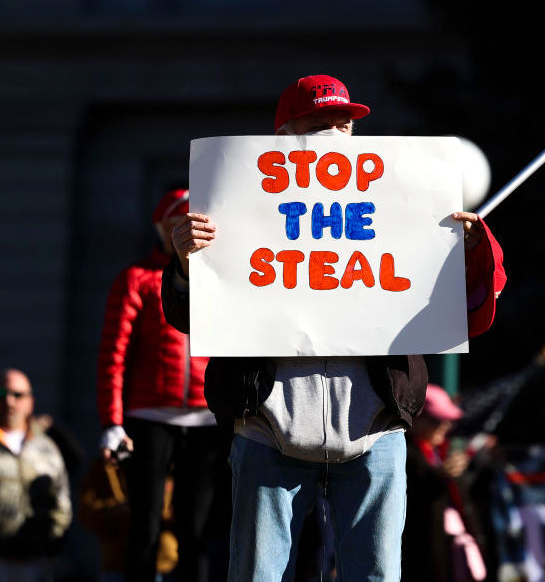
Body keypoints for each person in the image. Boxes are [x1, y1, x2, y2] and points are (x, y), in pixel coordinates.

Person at [161, 74, 507, 581]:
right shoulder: (232, 206)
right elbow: (188, 318)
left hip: (376, 429)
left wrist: (474, 250)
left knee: (377, 575)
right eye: (320, 124)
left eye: (344, 123)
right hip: (267, 425)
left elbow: (472, 312)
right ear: (283, 137)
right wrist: (187, 263)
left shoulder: (399, 203)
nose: (336, 135)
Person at [96, 188, 226, 582]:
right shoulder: (137, 279)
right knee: (146, 525)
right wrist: (112, 422)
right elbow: (113, 355)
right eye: (177, 223)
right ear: (162, 227)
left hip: (205, 418)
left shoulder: (220, 279)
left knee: (197, 531)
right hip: (148, 416)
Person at [404, 384, 486, 582]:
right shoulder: (403, 455)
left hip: (451, 552)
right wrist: (439, 475)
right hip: (419, 560)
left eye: (447, 421)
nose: (445, 426)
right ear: (415, 418)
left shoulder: (440, 451)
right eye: (437, 420)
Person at [0, 368, 72, 581]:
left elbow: (62, 500)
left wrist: (52, 540)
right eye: (3, 394)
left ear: (30, 401)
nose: (10, 402)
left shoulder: (46, 447)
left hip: (37, 561)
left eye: (18, 395)